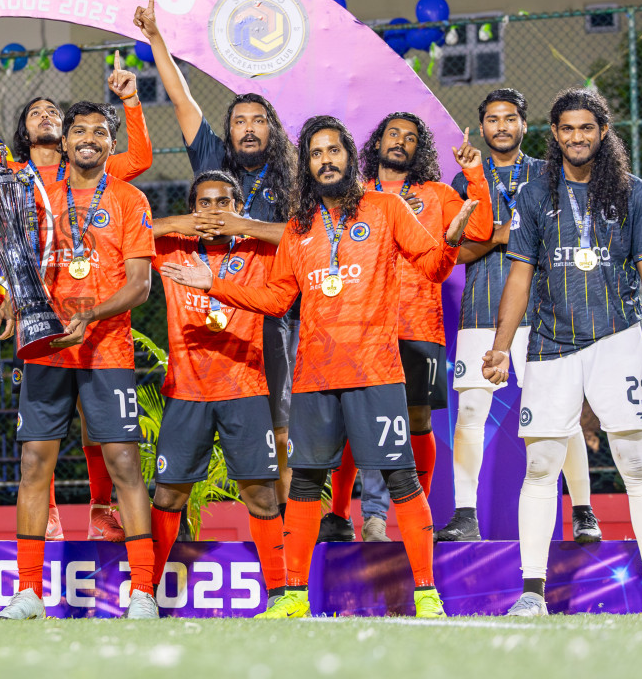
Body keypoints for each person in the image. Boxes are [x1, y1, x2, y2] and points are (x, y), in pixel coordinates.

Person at [177, 116, 482, 620]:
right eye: (316, 154)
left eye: (333, 150)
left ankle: (426, 593)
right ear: (307, 165)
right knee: (303, 484)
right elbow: (277, 299)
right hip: (315, 377)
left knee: (402, 480)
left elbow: (432, 266)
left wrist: (449, 240)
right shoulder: (299, 227)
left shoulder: (385, 208)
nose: (325, 161)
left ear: (349, 156)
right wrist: (215, 285)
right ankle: (294, 595)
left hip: (376, 372)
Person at [484, 88, 642, 617]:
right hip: (551, 343)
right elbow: (519, 277)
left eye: (587, 128)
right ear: (554, 134)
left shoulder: (631, 190)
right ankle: (532, 594)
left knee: (636, 463)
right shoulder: (534, 194)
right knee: (540, 466)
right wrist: (501, 347)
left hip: (617, 338)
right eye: (567, 128)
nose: (577, 137)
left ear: (603, 132)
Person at [135, 0, 300, 510]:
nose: (248, 128)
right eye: (239, 120)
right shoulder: (214, 161)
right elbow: (183, 100)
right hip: (207, 312)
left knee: (279, 429)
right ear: (229, 130)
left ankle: (287, 535)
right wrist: (156, 38)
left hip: (273, 315)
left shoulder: (292, 177)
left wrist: (243, 226)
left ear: (271, 129)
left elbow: (304, 238)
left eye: (258, 120)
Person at [0, 101, 156, 621]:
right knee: (33, 463)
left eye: (100, 132)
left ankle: (143, 591)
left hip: (107, 348)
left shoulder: (129, 199)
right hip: (48, 347)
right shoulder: (38, 195)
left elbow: (140, 285)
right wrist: (14, 294)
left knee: (124, 464)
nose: (89, 138)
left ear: (112, 143)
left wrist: (90, 316)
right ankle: (28, 592)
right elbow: (22, 261)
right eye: (79, 130)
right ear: (63, 142)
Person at [319, 113, 493, 540]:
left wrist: (474, 175)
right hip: (360, 326)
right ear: (377, 142)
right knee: (354, 421)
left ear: (420, 149)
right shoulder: (354, 195)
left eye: (410, 137)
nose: (400, 141)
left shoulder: (435, 194)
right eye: (393, 133)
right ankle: (345, 516)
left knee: (417, 419)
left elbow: (481, 229)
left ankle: (418, 519)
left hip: (418, 324)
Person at [436, 88, 597, 543]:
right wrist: (498, 236)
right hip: (481, 311)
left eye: (510, 118)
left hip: (545, 315)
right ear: (482, 127)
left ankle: (583, 511)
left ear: (525, 125)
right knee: (470, 412)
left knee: (561, 415)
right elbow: (452, 253)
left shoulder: (551, 175)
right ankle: (465, 516)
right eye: (493, 119)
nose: (502, 126)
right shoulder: (463, 181)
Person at [150, 171, 286, 614]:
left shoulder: (257, 249)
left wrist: (243, 226)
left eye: (224, 202)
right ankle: (146, 594)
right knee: (169, 496)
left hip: (244, 387)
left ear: (238, 206)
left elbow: (301, 239)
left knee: (261, 495)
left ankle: (281, 594)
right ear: (193, 209)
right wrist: (178, 224)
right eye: (204, 203)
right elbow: (126, 231)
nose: (214, 211)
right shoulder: (174, 247)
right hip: (187, 390)